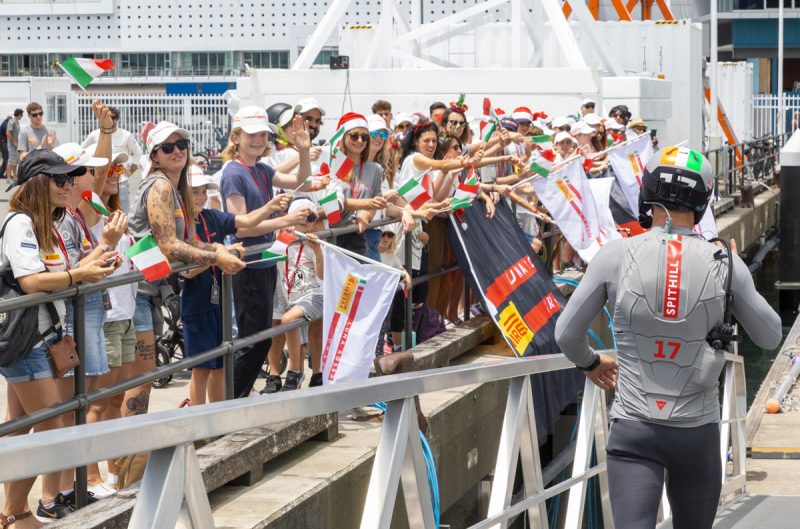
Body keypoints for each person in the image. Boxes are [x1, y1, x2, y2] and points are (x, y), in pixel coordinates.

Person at [554, 146, 782, 529]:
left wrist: (591, 363)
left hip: (633, 427)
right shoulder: (723, 262)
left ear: (647, 191)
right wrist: (734, 275)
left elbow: (566, 334)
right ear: (704, 200)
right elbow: (771, 335)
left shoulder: (615, 255)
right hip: (696, 432)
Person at [0, 150, 115, 527]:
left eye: (70, 179)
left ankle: (11, 512)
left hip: (42, 338)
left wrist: (102, 250)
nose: (69, 185)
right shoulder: (21, 223)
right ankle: (16, 512)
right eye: (61, 180)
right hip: (28, 340)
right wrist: (78, 277)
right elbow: (32, 281)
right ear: (38, 183)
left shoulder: (46, 223)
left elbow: (68, 271)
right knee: (52, 430)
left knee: (21, 428)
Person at [126, 121, 246, 421]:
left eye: (182, 145)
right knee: (138, 382)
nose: (177, 151)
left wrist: (216, 249)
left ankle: (125, 457)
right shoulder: (161, 186)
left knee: (141, 379)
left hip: (153, 288)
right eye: (167, 147)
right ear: (154, 155)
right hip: (136, 290)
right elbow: (169, 245)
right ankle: (121, 459)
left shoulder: (176, 187)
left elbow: (189, 241)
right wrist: (217, 256)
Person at [218, 106, 312, 398]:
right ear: (236, 137)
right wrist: (284, 220)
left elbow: (302, 182)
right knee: (253, 340)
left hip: (263, 260)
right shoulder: (233, 173)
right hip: (247, 263)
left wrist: (304, 151)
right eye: (252, 134)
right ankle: (231, 400)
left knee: (259, 338)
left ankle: (236, 398)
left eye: (262, 134)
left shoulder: (259, 168)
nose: (258, 140)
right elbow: (241, 226)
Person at [181, 166, 284, 405]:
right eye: (193, 191)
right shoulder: (181, 223)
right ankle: (199, 426)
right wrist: (220, 253)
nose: (199, 197)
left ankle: (219, 421)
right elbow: (187, 271)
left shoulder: (211, 216)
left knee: (220, 365)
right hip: (197, 305)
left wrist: (270, 207)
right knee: (201, 369)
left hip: (219, 302)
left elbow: (245, 220)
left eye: (203, 191)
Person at [270, 198, 324, 390]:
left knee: (288, 319)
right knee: (280, 320)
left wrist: (317, 250)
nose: (305, 220)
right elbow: (269, 256)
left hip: (314, 295)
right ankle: (290, 371)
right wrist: (286, 233)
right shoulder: (282, 236)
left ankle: (295, 371)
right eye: (300, 215)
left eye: (310, 217)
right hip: (289, 293)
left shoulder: (314, 240)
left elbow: (323, 276)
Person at [81, 106, 143, 213]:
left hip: (121, 180)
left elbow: (138, 152)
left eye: (113, 117)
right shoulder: (94, 135)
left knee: (122, 211)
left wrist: (130, 171)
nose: (110, 120)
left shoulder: (126, 135)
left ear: (117, 119)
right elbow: (82, 150)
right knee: (98, 210)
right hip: (99, 179)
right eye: (108, 117)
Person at [5, 109, 23, 182]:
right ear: (19, 114)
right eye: (21, 115)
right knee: (11, 161)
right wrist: (14, 142)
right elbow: (8, 133)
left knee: (15, 161)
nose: (22, 116)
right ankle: (8, 177)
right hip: (12, 146)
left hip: (17, 146)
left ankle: (15, 177)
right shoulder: (11, 121)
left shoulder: (17, 122)